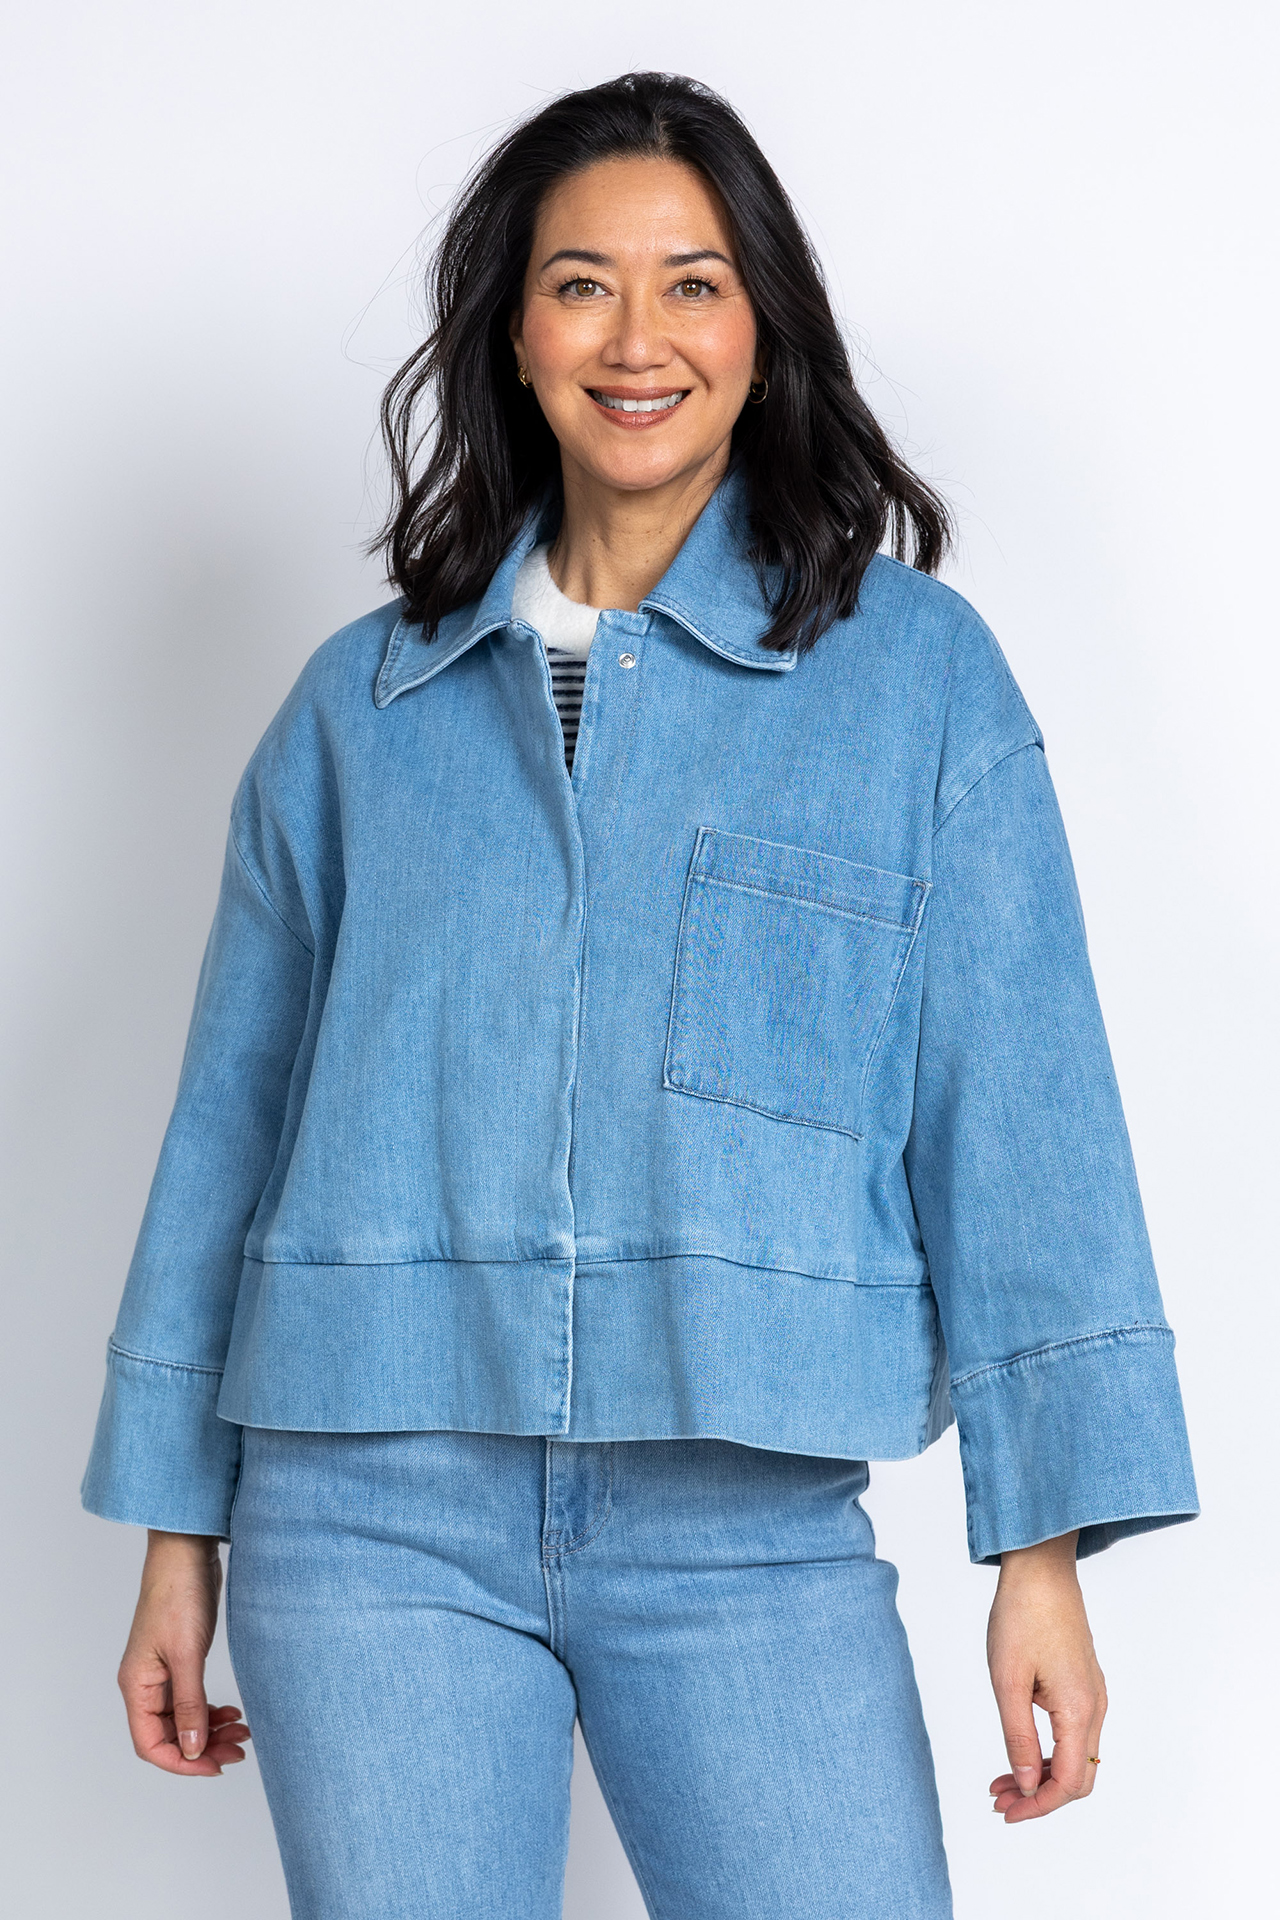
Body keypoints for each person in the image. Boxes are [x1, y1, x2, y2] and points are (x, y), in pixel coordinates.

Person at [82, 71, 1198, 1920]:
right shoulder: (357, 715)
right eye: (580, 284)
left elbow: (1023, 1106)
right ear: (514, 335)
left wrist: (1043, 1549)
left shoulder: (915, 683)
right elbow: (229, 1126)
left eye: (692, 284)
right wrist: (174, 1530)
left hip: (746, 1522)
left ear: (764, 331)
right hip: (366, 1521)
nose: (636, 337)